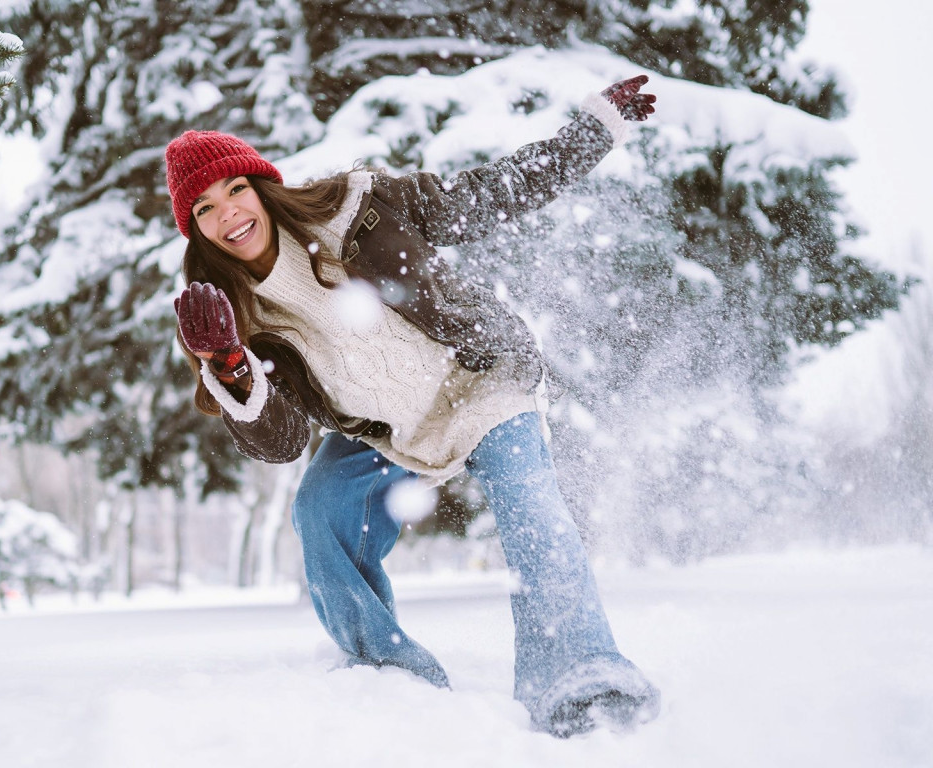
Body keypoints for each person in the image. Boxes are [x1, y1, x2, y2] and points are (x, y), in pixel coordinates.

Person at [165, 75, 661, 737]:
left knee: (531, 504)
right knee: (320, 510)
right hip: (389, 431)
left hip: (481, 383)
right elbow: (278, 442)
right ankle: (389, 671)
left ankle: (578, 675)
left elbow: (490, 194)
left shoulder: (362, 204)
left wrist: (591, 131)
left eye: (234, 189)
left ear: (261, 186)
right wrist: (230, 364)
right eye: (203, 209)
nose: (228, 214)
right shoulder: (223, 314)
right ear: (193, 230)